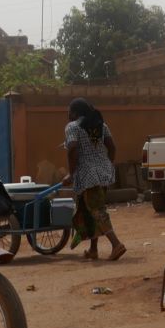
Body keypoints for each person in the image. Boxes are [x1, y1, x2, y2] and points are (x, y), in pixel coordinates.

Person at [62, 98, 126, 261]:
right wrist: (106, 165)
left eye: (69, 110)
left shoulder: (72, 127)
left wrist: (71, 173)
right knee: (91, 210)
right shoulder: (98, 125)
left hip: (87, 175)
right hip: (103, 172)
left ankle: (116, 244)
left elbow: (72, 150)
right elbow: (112, 147)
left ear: (75, 112)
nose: (67, 114)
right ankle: (93, 249)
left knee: (97, 210)